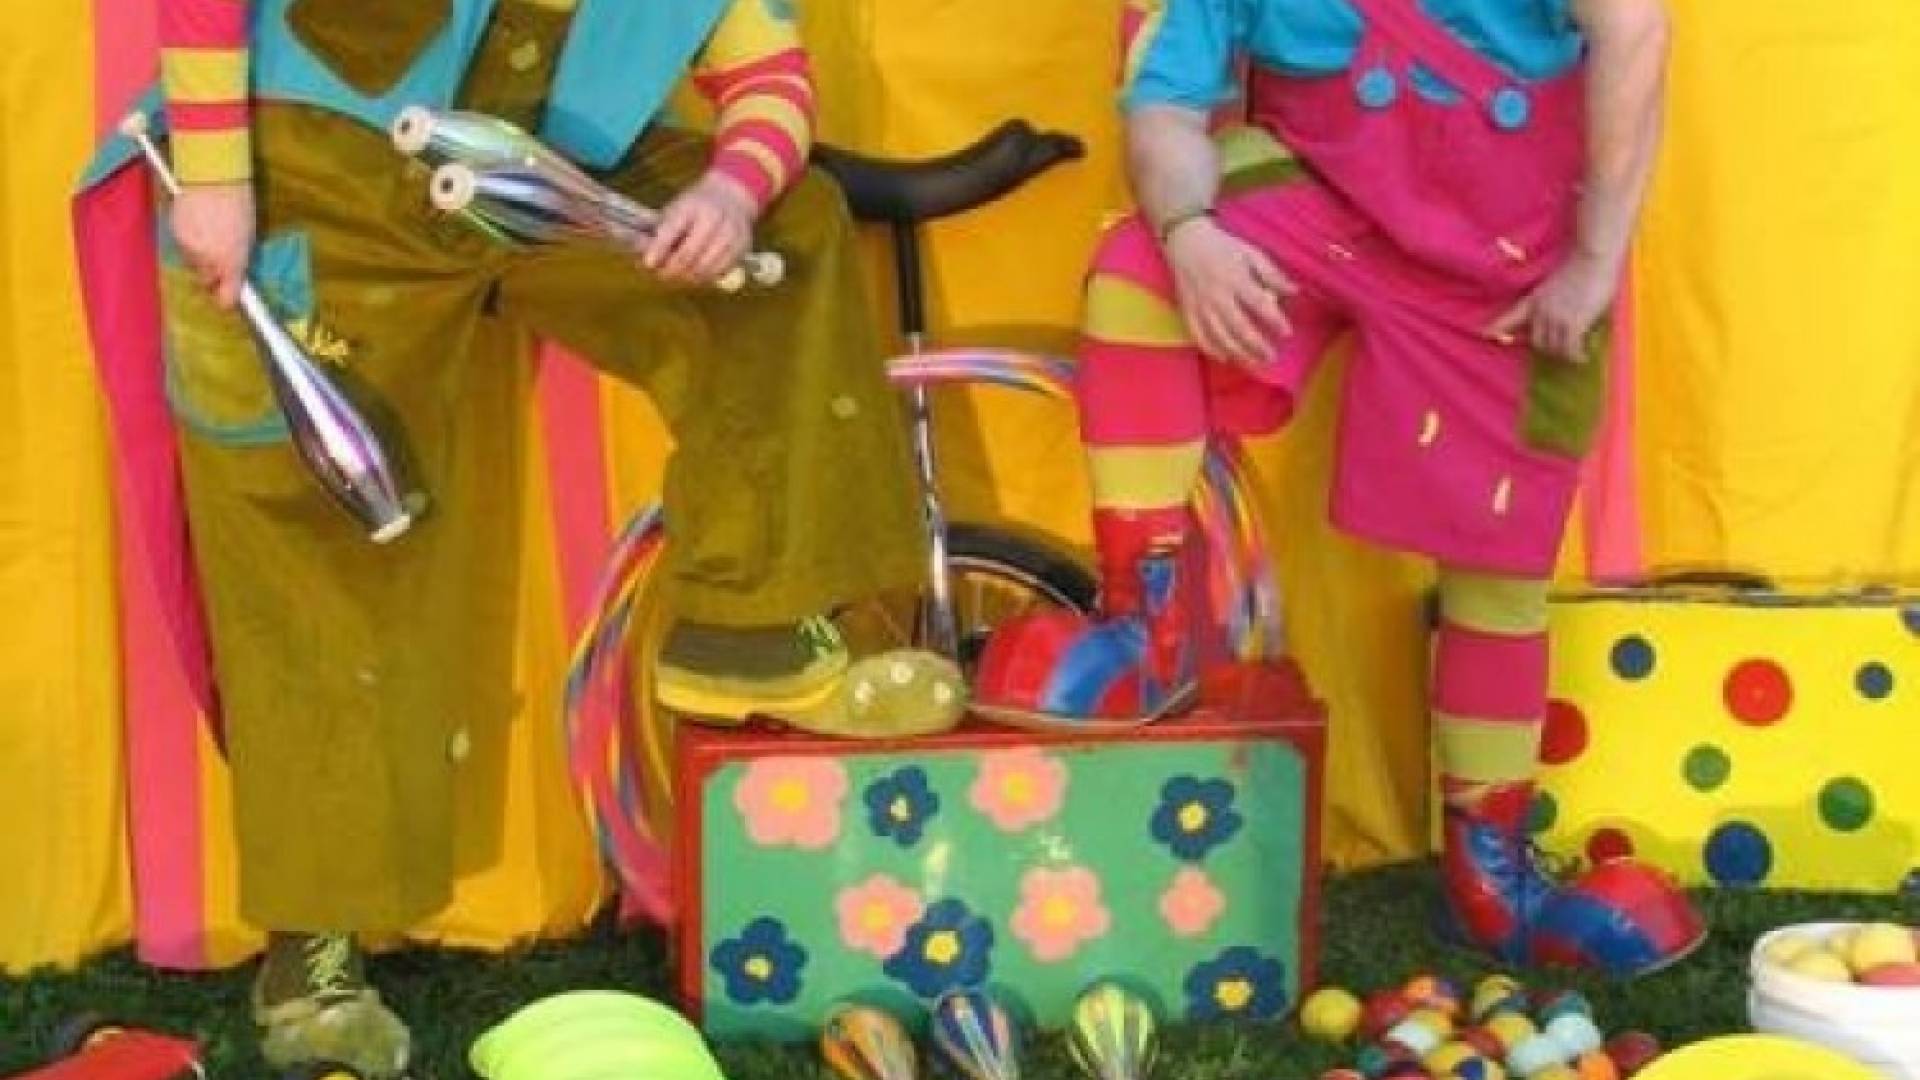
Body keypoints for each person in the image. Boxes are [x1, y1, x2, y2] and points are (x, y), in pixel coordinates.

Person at [140, 0, 964, 1073]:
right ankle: (314, 958)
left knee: (789, 235)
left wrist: (731, 190)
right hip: (317, 165)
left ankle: (748, 629)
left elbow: (767, 72)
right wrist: (214, 175)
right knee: (314, 552)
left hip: (539, 168)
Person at [975, 0, 1706, 977]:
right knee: (1139, 267)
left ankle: (1492, 881)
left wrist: (1594, 260)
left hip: (1511, 250)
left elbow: (1632, 27)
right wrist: (1188, 232)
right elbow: (1165, 107)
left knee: (1499, 569)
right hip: (1322, 200)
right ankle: (1145, 628)